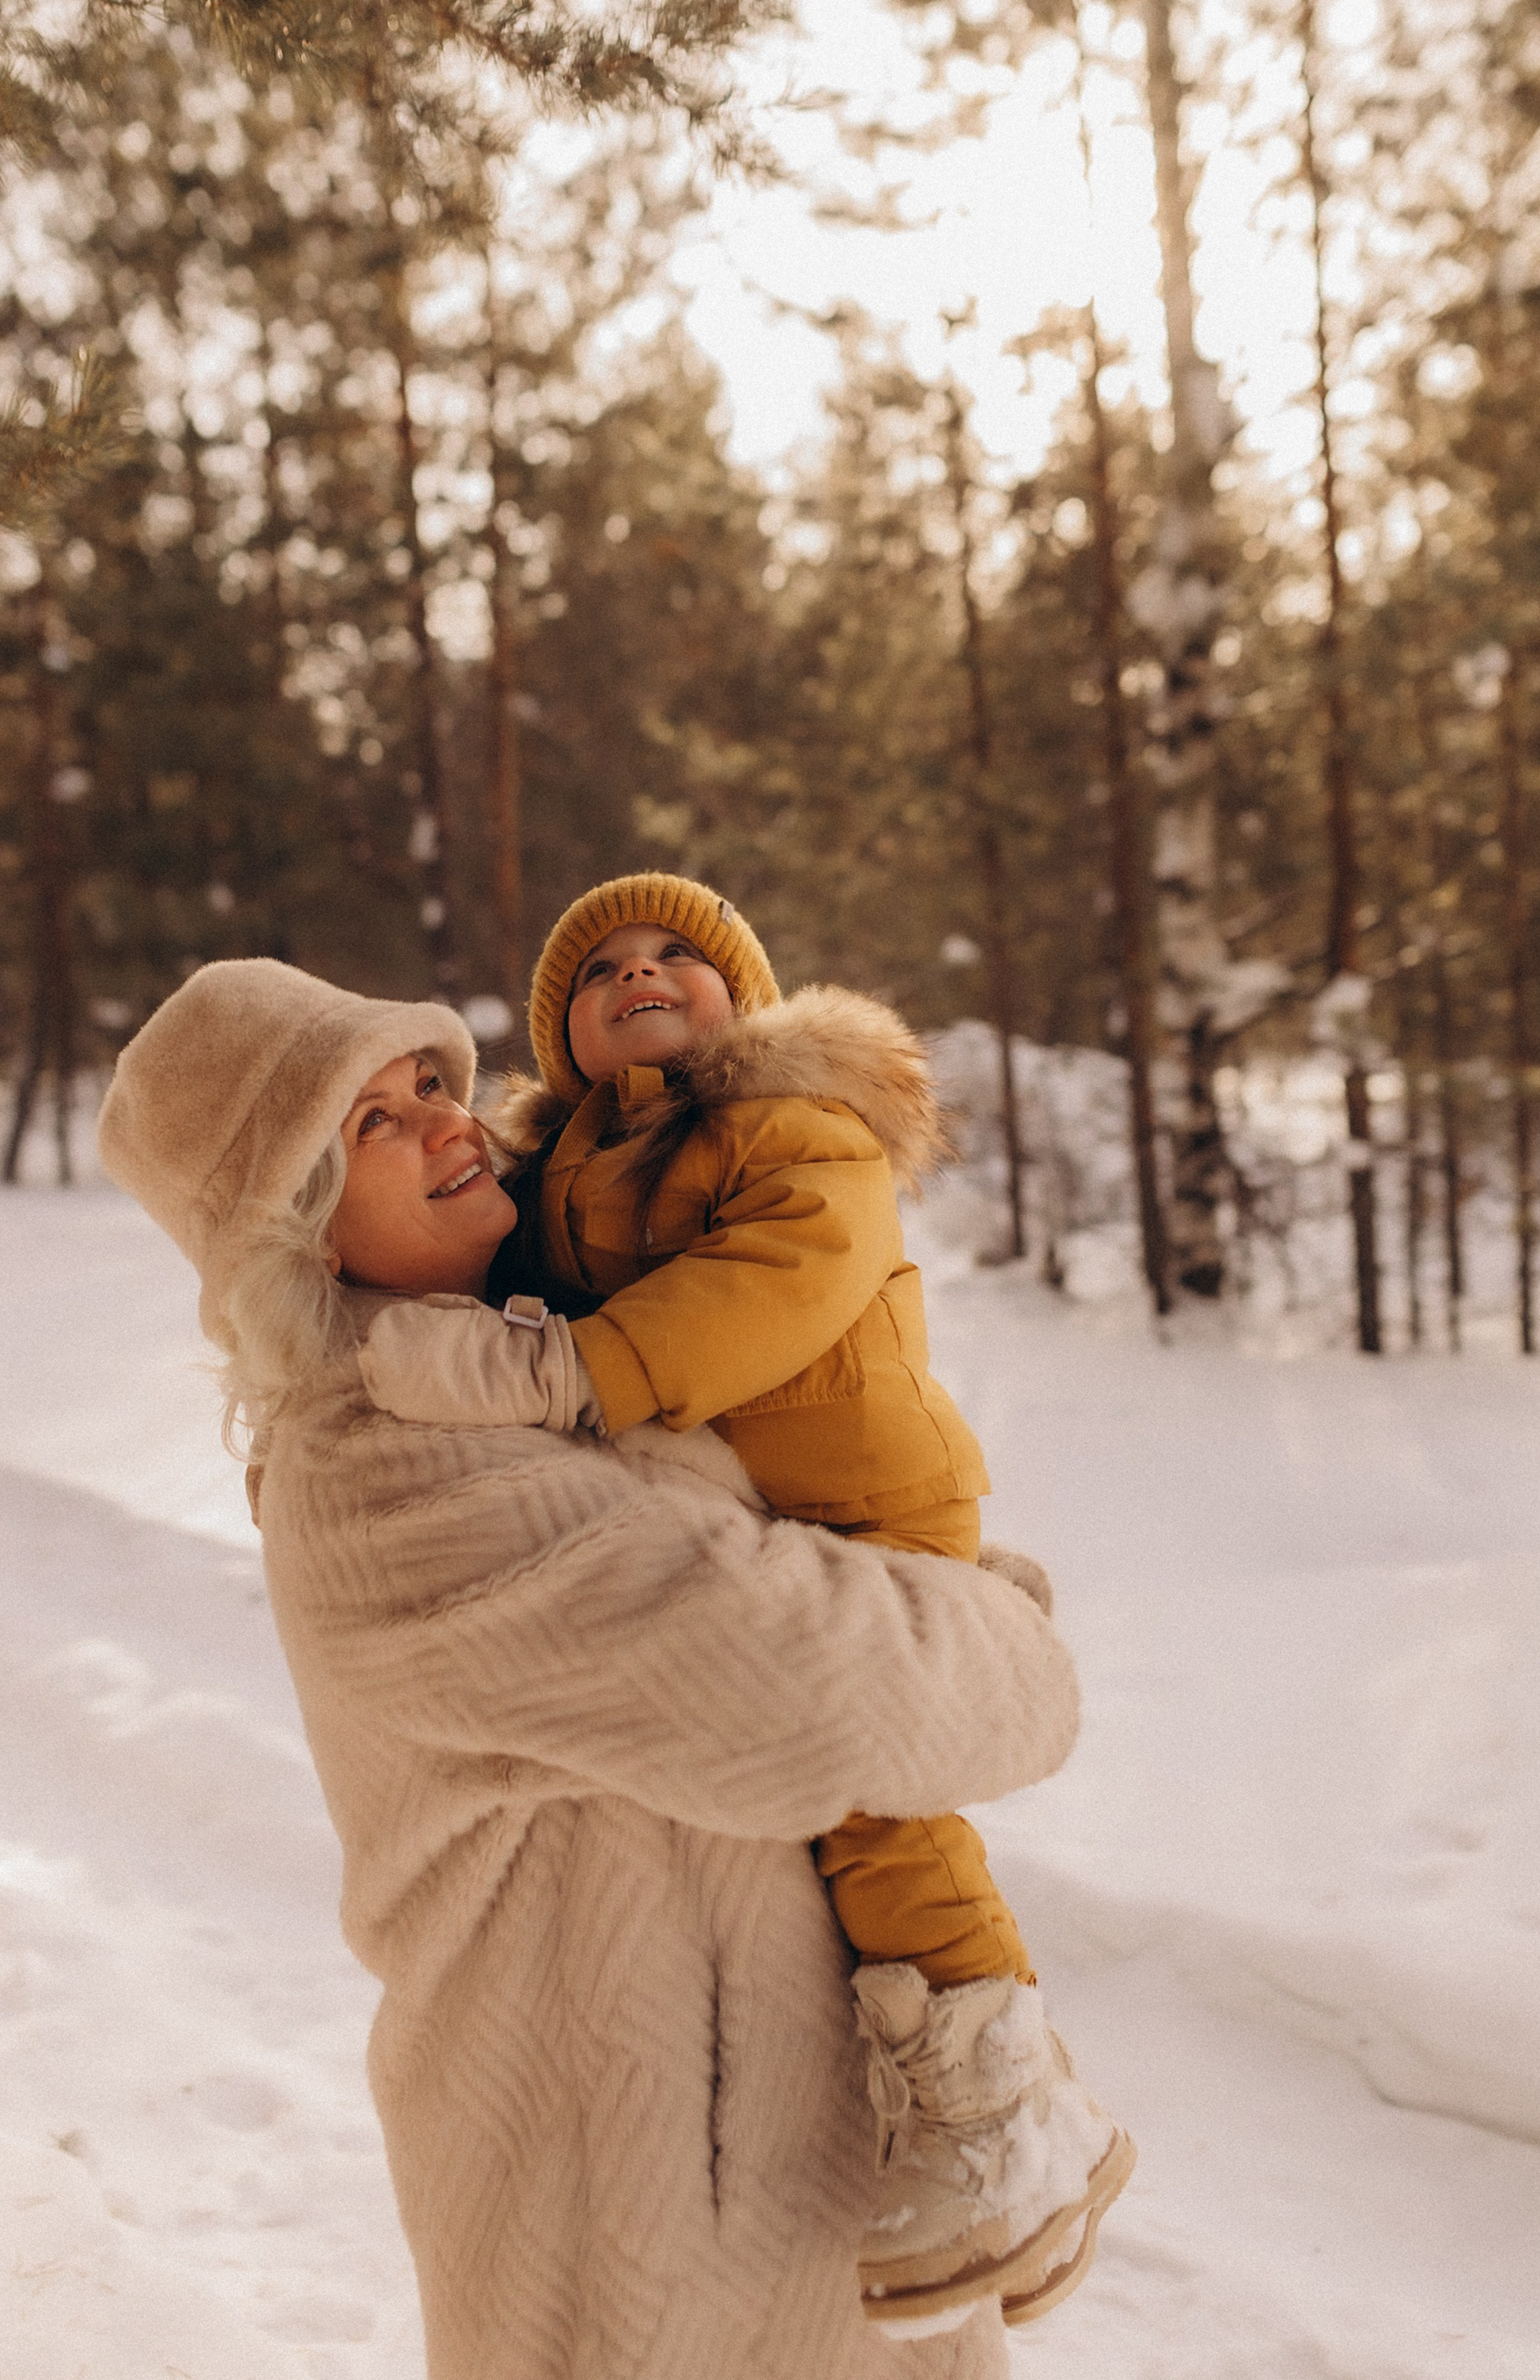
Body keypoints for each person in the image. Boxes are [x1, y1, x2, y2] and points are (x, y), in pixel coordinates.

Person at [95, 956, 1086, 2380]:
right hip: (630, 2225)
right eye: (372, 1121)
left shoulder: (542, 1368)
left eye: (432, 1081)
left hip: (774, 2170)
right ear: (296, 1228)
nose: (446, 1120)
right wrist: (1005, 1629)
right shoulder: (386, 1477)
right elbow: (828, 1691)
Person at [355, 874, 1133, 2328]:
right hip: (751, 1492)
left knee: (878, 1810)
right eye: (597, 973)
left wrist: (565, 1374)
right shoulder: (575, 1161)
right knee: (839, 1812)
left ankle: (1000, 2105)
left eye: (674, 956)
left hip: (855, 1479)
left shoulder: (786, 1119)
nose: (637, 975)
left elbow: (773, 1285)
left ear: (743, 1000)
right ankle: (942, 2085)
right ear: (563, 1037)